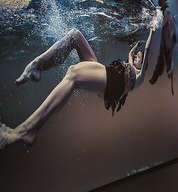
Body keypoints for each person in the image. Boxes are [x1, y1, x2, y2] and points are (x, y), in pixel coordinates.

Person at [0, 21, 156, 149]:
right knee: (75, 35)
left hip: (108, 84)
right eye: (137, 55)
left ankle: (27, 130)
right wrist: (135, 48)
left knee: (74, 73)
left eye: (139, 57)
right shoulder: (131, 64)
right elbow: (131, 53)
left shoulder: (139, 77)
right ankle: (37, 66)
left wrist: (152, 30)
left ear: (143, 63)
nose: (136, 57)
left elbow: (148, 49)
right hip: (105, 73)